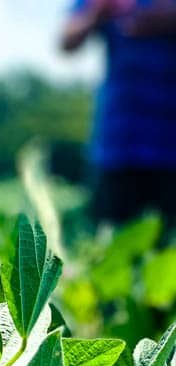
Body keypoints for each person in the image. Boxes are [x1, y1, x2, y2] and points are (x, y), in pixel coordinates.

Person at [60, 0, 176, 223]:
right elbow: (67, 41)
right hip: (118, 144)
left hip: (170, 144)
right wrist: (98, 11)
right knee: (110, 235)